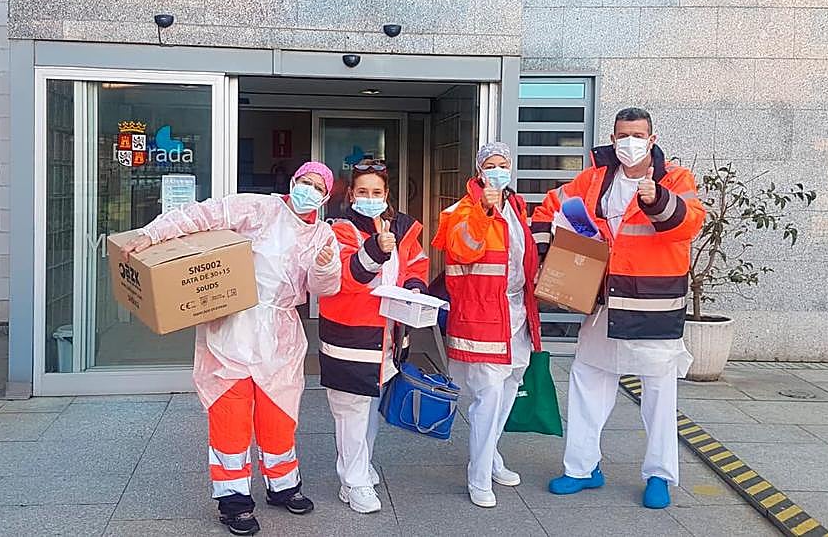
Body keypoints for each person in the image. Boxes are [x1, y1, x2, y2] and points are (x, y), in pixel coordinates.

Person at [124, 162, 342, 536]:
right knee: (230, 417)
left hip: (280, 336)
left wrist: (325, 267)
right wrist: (151, 234)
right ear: (293, 182)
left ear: (325, 197)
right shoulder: (258, 208)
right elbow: (203, 215)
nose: (309, 190)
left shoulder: (322, 235)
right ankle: (234, 501)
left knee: (279, 417)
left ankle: (283, 485)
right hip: (232, 327)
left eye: (318, 187)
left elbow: (325, 288)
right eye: (305, 181)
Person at [531, 108, 705, 510]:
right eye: (623, 135)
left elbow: (690, 224)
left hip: (653, 305)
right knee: (588, 382)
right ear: (612, 138)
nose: (630, 142)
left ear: (652, 138)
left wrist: (657, 200)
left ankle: (659, 475)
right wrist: (546, 255)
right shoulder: (593, 179)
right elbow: (548, 210)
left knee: (659, 395)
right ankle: (582, 468)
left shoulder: (674, 179)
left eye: (638, 135)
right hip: (603, 303)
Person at [432, 142, 542, 509]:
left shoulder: (517, 206)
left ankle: (490, 455)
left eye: (503, 164)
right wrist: (484, 211)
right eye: (490, 165)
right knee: (488, 396)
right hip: (481, 315)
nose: (497, 170)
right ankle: (478, 476)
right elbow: (464, 249)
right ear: (479, 171)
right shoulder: (461, 210)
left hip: (516, 312)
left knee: (510, 386)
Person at [318, 162, 429, 514]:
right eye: (363, 192)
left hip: (387, 337)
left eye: (376, 192)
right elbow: (345, 278)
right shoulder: (337, 229)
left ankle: (361, 467)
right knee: (350, 411)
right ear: (351, 195)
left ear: (387, 195)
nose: (370, 198)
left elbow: (416, 263)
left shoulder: (403, 227)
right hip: (349, 336)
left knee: (368, 410)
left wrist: (415, 288)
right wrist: (376, 250)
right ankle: (353, 483)